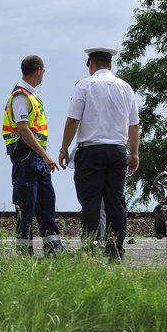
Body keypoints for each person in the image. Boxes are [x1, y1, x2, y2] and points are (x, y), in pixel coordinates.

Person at [57, 47, 139, 260]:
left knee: (91, 201)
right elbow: (134, 125)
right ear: (110, 65)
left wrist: (64, 148)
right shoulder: (125, 87)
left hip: (91, 150)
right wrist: (135, 153)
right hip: (118, 151)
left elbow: (73, 119)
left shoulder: (85, 85)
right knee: (116, 201)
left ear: (91, 65)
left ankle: (91, 248)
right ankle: (116, 249)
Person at [1, 55, 65, 255]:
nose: (43, 74)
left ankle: (53, 247)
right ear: (38, 70)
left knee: (46, 203)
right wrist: (45, 155)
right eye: (43, 71)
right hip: (26, 156)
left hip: (36, 157)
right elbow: (23, 129)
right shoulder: (21, 96)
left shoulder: (31, 95)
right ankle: (24, 253)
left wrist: (43, 156)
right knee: (26, 206)